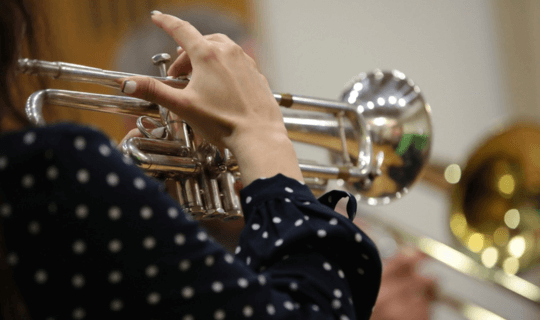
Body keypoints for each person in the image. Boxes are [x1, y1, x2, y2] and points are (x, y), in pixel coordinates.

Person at [0, 3, 382, 320]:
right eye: (244, 97)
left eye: (256, 95)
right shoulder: (56, 171)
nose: (265, 110)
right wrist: (263, 139)